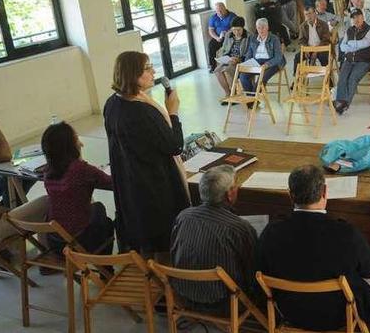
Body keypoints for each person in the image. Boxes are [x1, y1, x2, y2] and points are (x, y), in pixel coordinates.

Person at [256, 165, 370, 332]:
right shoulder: (345, 233)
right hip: (341, 313)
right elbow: (369, 270)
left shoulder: (271, 232)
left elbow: (260, 272)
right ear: (325, 192)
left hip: (291, 312)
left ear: (290, 195)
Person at [104, 51, 189, 255]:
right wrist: (173, 112)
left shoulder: (112, 103)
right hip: (154, 184)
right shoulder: (142, 112)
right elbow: (174, 145)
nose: (153, 72)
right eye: (147, 68)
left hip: (130, 180)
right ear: (133, 74)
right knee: (164, 235)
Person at [170, 165, 257, 312]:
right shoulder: (239, 228)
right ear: (229, 194)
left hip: (183, 295)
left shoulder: (183, 216)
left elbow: (174, 253)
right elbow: (252, 271)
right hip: (226, 302)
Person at [41, 122, 114, 254]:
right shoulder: (80, 170)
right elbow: (111, 182)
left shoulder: (47, 170)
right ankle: (106, 270)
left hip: (56, 241)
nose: (81, 143)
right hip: (77, 241)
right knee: (100, 211)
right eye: (76, 139)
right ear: (70, 145)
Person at [335, 10, 370, 115]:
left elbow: (365, 43)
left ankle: (345, 103)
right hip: (349, 60)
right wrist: (351, 46)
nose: (356, 19)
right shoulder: (349, 30)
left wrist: (350, 44)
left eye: (358, 16)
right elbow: (342, 47)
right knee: (342, 78)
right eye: (353, 18)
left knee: (353, 78)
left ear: (363, 17)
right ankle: (339, 101)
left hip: (363, 61)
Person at [240, 18, 286, 95]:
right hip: (256, 61)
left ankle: (253, 100)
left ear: (267, 27)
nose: (261, 30)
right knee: (243, 76)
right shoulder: (253, 38)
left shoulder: (274, 39)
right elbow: (249, 54)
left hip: (272, 62)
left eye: (263, 27)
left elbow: (278, 57)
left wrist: (267, 64)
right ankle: (251, 98)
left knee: (262, 78)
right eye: (258, 28)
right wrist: (247, 63)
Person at [213, 16, 250, 101]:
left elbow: (249, 53)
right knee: (217, 71)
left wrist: (238, 59)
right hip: (228, 59)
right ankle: (228, 93)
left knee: (228, 69)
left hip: (240, 61)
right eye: (234, 30)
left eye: (238, 30)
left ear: (243, 28)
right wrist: (222, 57)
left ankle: (234, 94)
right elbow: (223, 48)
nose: (236, 32)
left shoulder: (248, 36)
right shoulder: (228, 35)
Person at [293, 7, 331, 75]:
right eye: (306, 14)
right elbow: (301, 40)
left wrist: (316, 50)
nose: (308, 16)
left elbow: (326, 40)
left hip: (321, 48)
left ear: (315, 14)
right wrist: (306, 48)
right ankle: (296, 79)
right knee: (297, 57)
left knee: (323, 57)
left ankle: (328, 78)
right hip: (309, 48)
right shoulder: (303, 26)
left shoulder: (323, 24)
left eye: (310, 13)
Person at [207, 2, 237, 71]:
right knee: (211, 46)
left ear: (225, 9)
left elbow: (235, 27)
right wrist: (217, 38)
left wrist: (227, 32)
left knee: (229, 47)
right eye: (217, 11)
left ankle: (229, 64)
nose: (219, 12)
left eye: (221, 10)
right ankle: (213, 66)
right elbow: (211, 30)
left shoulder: (232, 16)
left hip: (230, 36)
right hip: (218, 37)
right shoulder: (213, 17)